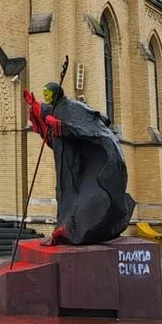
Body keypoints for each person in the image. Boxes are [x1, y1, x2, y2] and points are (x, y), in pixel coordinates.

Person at [24, 82, 135, 245]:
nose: (45, 97)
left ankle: (71, 229)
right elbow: (43, 113)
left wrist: (59, 125)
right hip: (61, 158)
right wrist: (33, 104)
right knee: (62, 191)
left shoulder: (72, 107)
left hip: (77, 159)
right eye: (44, 94)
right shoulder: (52, 108)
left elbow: (85, 128)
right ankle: (63, 229)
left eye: (47, 94)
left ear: (56, 93)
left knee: (73, 191)